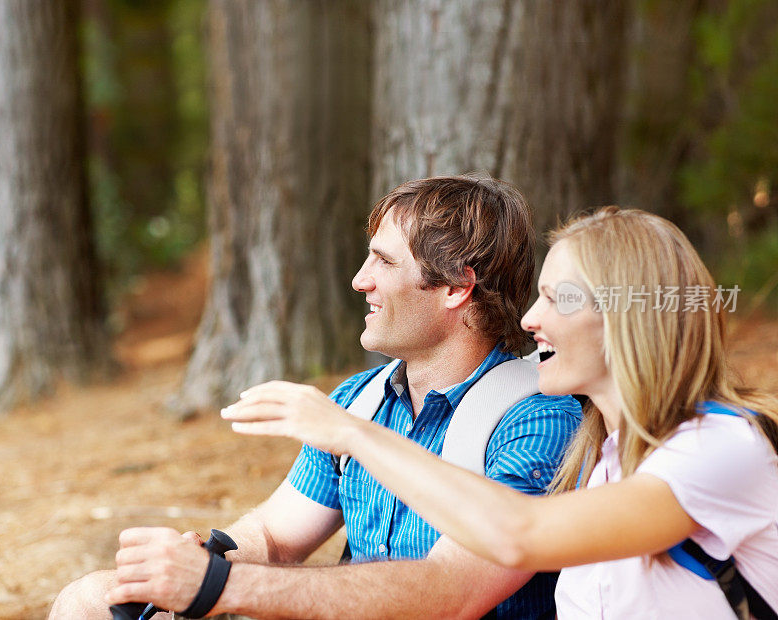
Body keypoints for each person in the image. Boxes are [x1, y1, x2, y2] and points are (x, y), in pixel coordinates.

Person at [51, 175, 581, 619]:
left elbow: (451, 594)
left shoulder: (538, 418)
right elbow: (276, 538)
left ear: (454, 288)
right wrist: (203, 559)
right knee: (90, 601)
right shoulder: (360, 399)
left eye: (384, 263)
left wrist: (215, 587)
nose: (358, 281)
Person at [228, 206, 778, 619]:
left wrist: (352, 434)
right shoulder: (602, 458)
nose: (531, 319)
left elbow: (519, 535)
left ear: (628, 319)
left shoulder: (719, 450)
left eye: (558, 299)